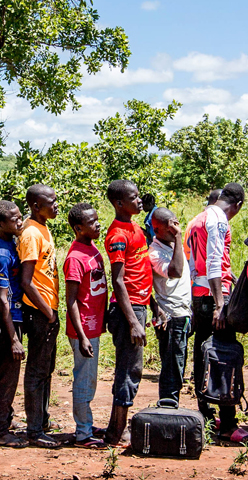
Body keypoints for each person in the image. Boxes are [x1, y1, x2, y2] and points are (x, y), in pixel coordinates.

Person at [186, 182, 245, 441]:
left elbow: (193, 264)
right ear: (238, 205)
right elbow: (213, 262)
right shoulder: (219, 220)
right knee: (224, 354)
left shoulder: (197, 219)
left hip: (198, 295)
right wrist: (221, 303)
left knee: (203, 353)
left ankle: (206, 417)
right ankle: (229, 425)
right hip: (213, 297)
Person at [103, 179, 154, 446]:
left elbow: (143, 272)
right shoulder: (117, 235)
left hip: (139, 305)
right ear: (119, 203)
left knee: (131, 368)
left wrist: (153, 306)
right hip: (127, 310)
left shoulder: (136, 229)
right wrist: (134, 321)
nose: (139, 201)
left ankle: (116, 427)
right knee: (128, 369)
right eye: (133, 198)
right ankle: (117, 431)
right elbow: (119, 280)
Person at [18, 184, 61, 448]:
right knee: (36, 370)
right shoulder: (31, 232)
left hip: (48, 310)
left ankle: (42, 419)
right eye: (50, 201)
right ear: (36, 206)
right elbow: (26, 280)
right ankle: (34, 430)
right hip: (38, 311)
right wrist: (47, 312)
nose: (56, 205)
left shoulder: (43, 227)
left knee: (46, 368)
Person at [63, 203, 108, 450]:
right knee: (84, 378)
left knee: (89, 378)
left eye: (97, 220)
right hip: (84, 330)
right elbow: (71, 301)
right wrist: (81, 336)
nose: (97, 224)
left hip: (94, 326)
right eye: (92, 223)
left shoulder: (92, 250)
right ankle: (82, 433)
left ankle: (87, 426)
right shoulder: (75, 258)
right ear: (79, 228)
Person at [0, 200, 27, 448]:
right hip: (7, 320)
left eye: (20, 217)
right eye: (15, 220)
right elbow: (1, 299)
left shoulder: (5, 240)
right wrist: (13, 338)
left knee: (7, 375)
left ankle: (5, 421)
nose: (20, 222)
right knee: (6, 376)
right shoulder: (1, 253)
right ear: (0, 223)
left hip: (12, 317)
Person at [148, 207, 192, 403]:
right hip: (171, 317)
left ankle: (172, 410)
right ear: (157, 230)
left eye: (176, 225)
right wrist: (179, 238)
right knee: (172, 367)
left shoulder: (174, 246)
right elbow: (175, 271)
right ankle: (168, 408)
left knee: (179, 364)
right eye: (170, 228)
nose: (174, 230)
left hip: (182, 314)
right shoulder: (155, 252)